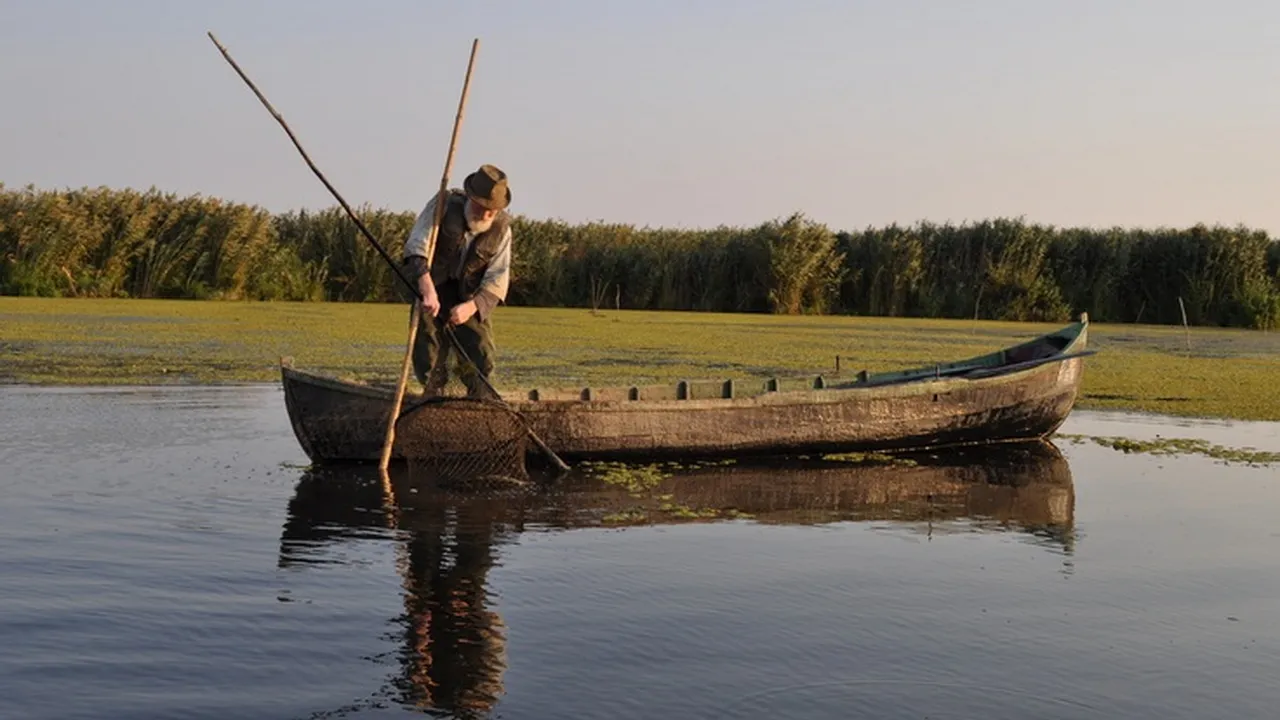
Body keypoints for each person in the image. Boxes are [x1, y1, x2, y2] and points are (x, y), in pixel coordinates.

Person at [401, 163, 513, 398]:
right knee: (428, 347)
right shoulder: (444, 204)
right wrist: (427, 288)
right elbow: (416, 246)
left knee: (481, 353)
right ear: (471, 197)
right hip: (434, 287)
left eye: (490, 211)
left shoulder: (502, 231)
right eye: (480, 207)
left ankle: (477, 400)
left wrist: (471, 307)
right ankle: (433, 394)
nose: (484, 215)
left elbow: (497, 281)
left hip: (469, 297)